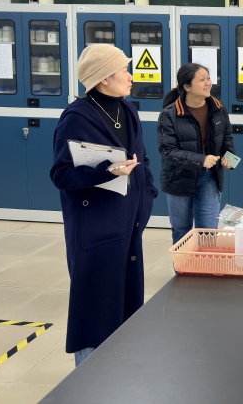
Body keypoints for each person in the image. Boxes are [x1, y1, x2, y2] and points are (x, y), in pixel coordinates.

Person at [50, 44, 157, 367]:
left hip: (128, 227)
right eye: (124, 70)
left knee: (125, 309)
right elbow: (61, 174)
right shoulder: (77, 117)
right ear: (103, 78)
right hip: (95, 232)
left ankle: (117, 377)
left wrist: (147, 194)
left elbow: (142, 159)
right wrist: (105, 171)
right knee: (94, 312)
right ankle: (87, 382)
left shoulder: (128, 110)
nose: (131, 76)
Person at [158, 63, 235, 245]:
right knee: (181, 231)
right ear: (187, 86)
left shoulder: (219, 108)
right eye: (202, 80)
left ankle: (204, 264)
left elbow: (227, 137)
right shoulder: (169, 114)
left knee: (207, 231)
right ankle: (183, 264)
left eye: (208, 78)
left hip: (209, 177)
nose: (208, 83)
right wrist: (201, 160)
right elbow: (168, 150)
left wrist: (230, 158)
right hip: (178, 178)